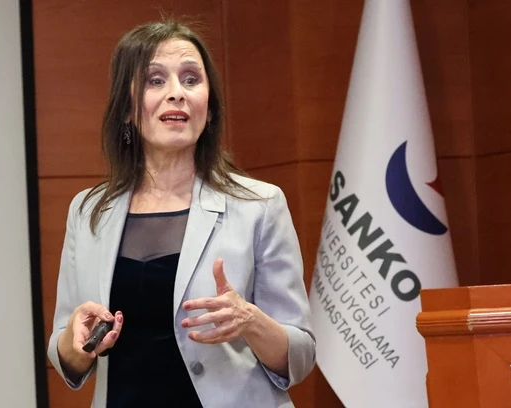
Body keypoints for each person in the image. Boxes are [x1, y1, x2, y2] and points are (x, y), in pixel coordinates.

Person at [47, 20, 315, 408]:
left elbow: (301, 354)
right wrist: (77, 342)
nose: (177, 93)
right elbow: (66, 353)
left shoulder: (259, 205)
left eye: (191, 79)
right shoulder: (89, 211)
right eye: (155, 80)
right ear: (126, 108)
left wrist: (250, 321)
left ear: (210, 106)